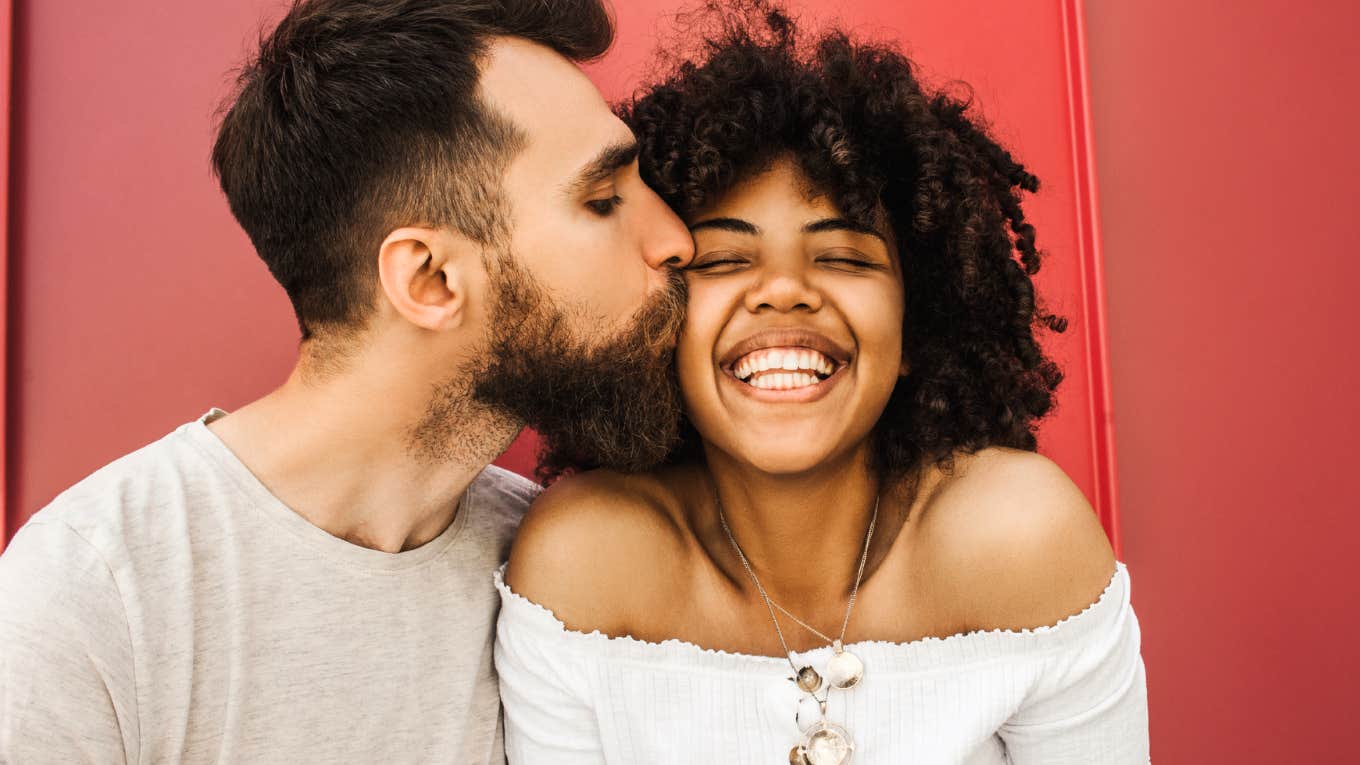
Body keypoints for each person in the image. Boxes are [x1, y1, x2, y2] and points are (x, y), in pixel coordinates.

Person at [0, 0, 693, 761]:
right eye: (601, 201)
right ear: (429, 279)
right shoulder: (95, 591)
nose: (675, 240)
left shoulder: (563, 571)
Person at [495, 4, 1150, 763]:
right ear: (659, 323)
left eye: (843, 256)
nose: (783, 290)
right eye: (722, 260)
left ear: (917, 324)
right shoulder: (586, 565)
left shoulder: (1020, 540)